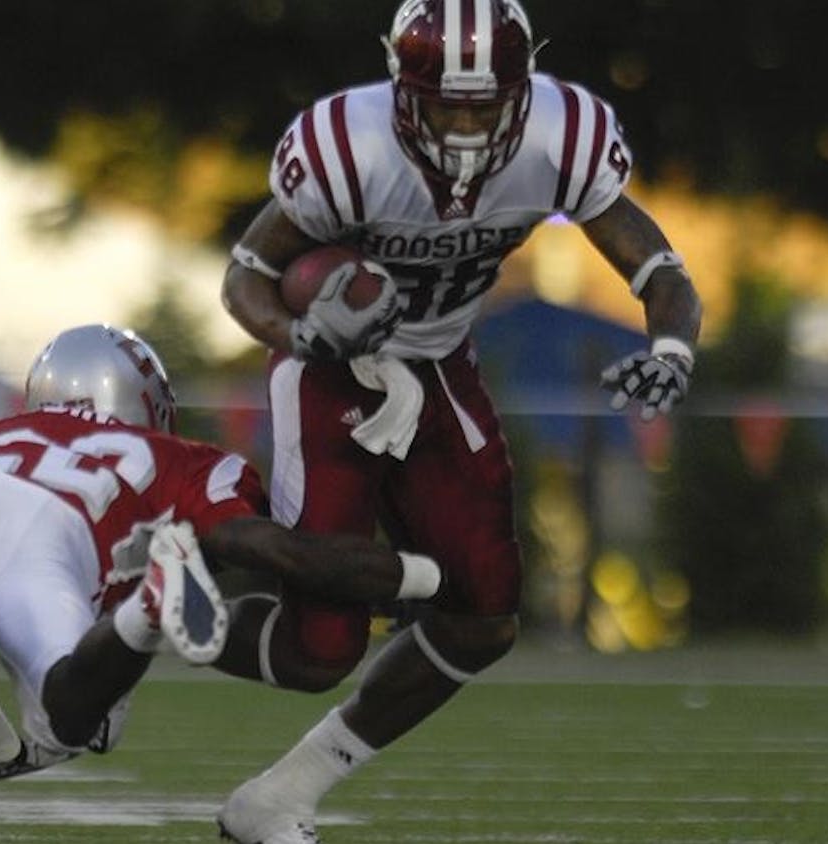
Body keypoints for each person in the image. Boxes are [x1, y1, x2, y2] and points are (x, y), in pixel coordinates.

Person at [215, 1, 703, 841]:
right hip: (331, 371)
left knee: (484, 619)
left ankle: (285, 793)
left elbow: (659, 267)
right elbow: (247, 277)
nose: (468, 126)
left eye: (486, 105)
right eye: (448, 104)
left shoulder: (564, 133)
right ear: (404, 90)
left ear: (522, 90)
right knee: (317, 651)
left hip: (441, 364)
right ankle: (147, 606)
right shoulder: (349, 145)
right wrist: (299, 333)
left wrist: (671, 352)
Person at [0, 324, 444, 778]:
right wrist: (414, 577)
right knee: (70, 710)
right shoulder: (180, 460)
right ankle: (147, 609)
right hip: (58, 532)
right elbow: (276, 551)